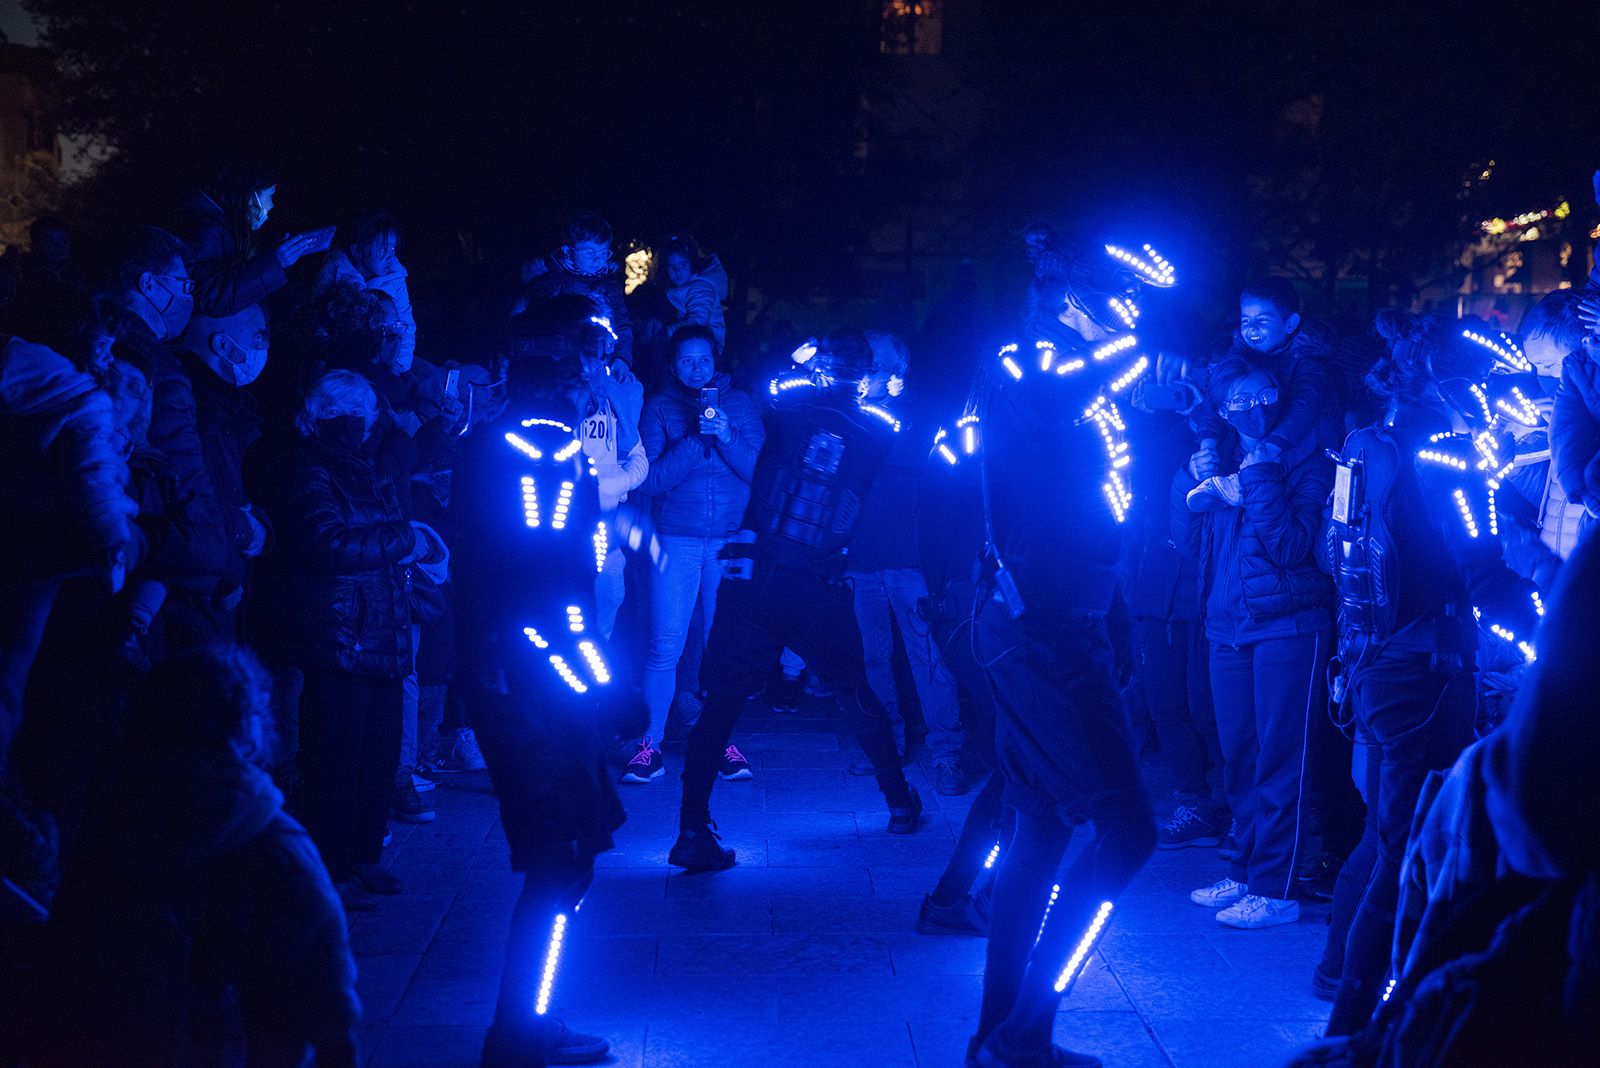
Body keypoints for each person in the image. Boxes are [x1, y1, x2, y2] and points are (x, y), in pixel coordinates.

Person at [959, 236, 1169, 1068]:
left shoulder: (1084, 379)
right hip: (1034, 632)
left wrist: (1115, 624)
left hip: (1066, 625)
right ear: (1077, 302)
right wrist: (1131, 343)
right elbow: (1051, 406)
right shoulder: (1022, 361)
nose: (1133, 319)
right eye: (1123, 303)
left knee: (1040, 827)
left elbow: (1098, 510)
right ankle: (1017, 1035)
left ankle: (1005, 1038)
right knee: (1128, 831)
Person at [1317, 310, 1541, 1034]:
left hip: (1377, 663)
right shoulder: (1448, 457)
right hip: (1428, 672)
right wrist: (1553, 634)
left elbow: (1333, 550)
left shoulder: (1368, 442)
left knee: (1387, 833)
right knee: (1406, 847)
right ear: (1455, 384)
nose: (1499, 401)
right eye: (1490, 385)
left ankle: (1338, 978)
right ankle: (1352, 1026)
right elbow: (1481, 572)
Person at [449, 304, 643, 1066]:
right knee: (559, 861)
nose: (596, 376)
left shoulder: (509, 447)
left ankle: (530, 1019)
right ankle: (519, 1034)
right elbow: (544, 599)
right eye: (586, 361)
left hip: (535, 684)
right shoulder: (540, 450)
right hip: (532, 691)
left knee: (569, 858)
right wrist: (606, 687)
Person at [668, 330, 924, 872]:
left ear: (821, 369)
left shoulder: (789, 405)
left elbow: (777, 385)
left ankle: (691, 829)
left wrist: (805, 357)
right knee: (854, 689)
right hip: (815, 580)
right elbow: (884, 425)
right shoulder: (879, 429)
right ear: (866, 376)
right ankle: (900, 802)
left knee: (722, 703)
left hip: (754, 572)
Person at [30, 647, 359, 1066]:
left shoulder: (111, 820)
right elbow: (320, 968)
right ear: (247, 724)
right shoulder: (270, 838)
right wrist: (338, 1048)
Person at [1174, 355, 1335, 930]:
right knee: (1239, 755)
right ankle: (1244, 871)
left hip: (1289, 626)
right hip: (1227, 628)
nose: (1255, 408)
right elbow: (1189, 542)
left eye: (1265, 394)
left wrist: (1262, 476)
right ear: (1223, 411)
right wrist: (1192, 480)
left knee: (1281, 758)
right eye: (1239, 401)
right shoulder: (1221, 458)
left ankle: (1277, 887)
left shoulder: (1309, 461)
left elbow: (1292, 547)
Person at [277, 369, 422, 908]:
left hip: (380, 628)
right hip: (341, 635)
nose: (362, 422)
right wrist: (405, 538)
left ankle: (363, 856)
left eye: (366, 412)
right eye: (353, 412)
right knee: (335, 760)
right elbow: (326, 543)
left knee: (377, 755)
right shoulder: (308, 466)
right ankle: (330, 870)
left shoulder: (367, 464)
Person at [0, 262, 139, 768]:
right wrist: (115, 539)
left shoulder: (12, 365)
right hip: (40, 549)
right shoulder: (82, 398)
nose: (108, 353)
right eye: (104, 341)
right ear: (77, 336)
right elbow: (91, 476)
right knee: (14, 668)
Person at [627, 324, 763, 783]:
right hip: (676, 541)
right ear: (673, 365)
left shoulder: (740, 404)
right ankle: (649, 746)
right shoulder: (660, 407)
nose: (696, 368)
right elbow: (649, 481)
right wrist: (694, 441)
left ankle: (720, 742)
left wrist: (725, 434)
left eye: (704, 359)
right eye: (686, 360)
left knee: (725, 648)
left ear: (716, 361)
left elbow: (759, 471)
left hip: (729, 541)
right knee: (665, 643)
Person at [845, 331, 972, 793]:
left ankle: (947, 753)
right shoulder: (851, 412)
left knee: (928, 658)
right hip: (860, 559)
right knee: (871, 658)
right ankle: (887, 745)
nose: (865, 371)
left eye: (875, 364)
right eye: (862, 362)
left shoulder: (921, 416)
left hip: (910, 561)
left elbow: (920, 464)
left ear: (898, 371)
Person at [144, 303, 271, 653]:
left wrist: (261, 525)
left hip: (213, 585)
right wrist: (237, 548)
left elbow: (236, 494)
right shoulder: (195, 407)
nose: (264, 349)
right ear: (223, 345)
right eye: (258, 338)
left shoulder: (231, 411)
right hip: (196, 593)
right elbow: (191, 498)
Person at [167, 156, 321, 317]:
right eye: (270, 195)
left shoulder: (222, 224)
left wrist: (272, 256)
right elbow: (209, 298)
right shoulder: (205, 228)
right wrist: (274, 262)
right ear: (250, 195)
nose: (271, 205)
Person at [517, 211, 634, 367]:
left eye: (603, 252)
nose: (598, 259)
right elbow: (535, 323)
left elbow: (622, 325)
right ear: (568, 251)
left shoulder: (609, 285)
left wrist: (621, 359)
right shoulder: (552, 283)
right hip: (559, 366)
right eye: (589, 252)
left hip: (601, 364)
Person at [317, 209, 417, 377]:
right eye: (383, 249)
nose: (391, 256)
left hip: (387, 356)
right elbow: (319, 323)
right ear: (357, 251)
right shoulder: (335, 272)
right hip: (343, 360)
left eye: (393, 248)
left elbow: (406, 322)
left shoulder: (395, 276)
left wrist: (400, 366)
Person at [658, 235, 729, 352]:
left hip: (708, 348)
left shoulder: (700, 288)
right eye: (672, 267)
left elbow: (697, 321)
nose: (677, 271)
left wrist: (667, 331)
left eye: (683, 265)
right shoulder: (684, 289)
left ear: (692, 264)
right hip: (697, 342)